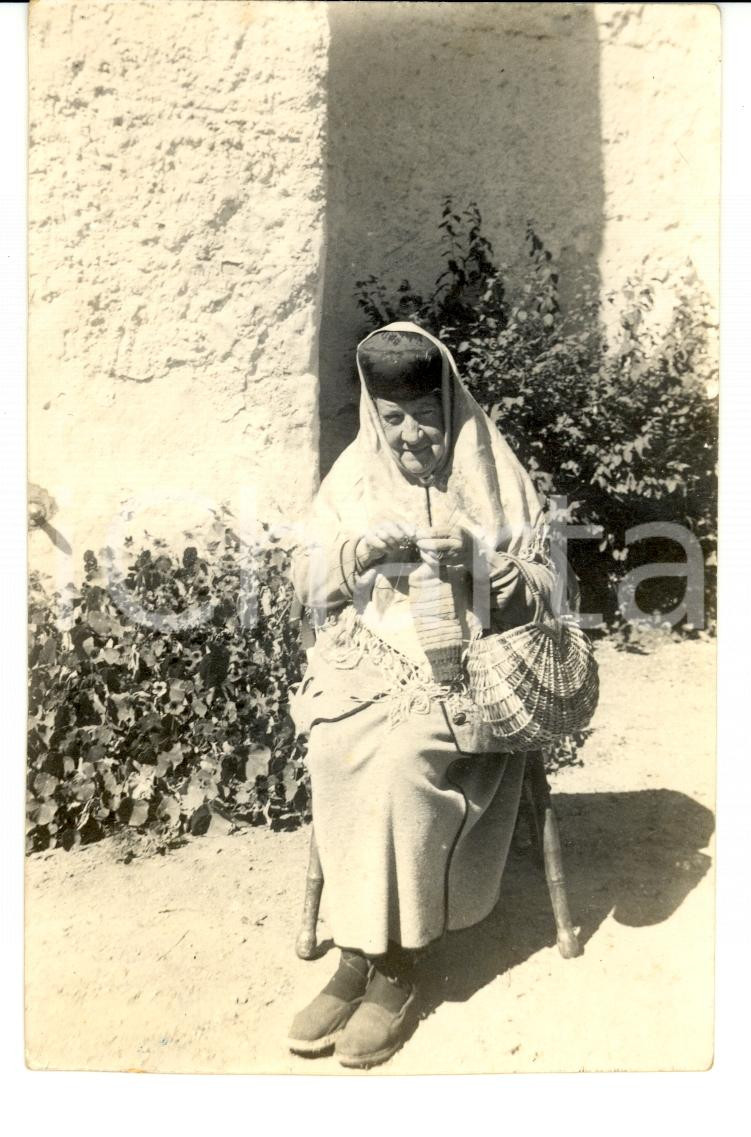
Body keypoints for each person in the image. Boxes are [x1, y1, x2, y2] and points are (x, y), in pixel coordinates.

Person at [287, 321, 560, 1068]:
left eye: (424, 419)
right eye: (392, 418)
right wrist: (356, 553)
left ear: (449, 409)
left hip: (474, 680)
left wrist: (481, 560)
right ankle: (357, 950)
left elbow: (546, 596)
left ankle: (396, 967)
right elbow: (301, 578)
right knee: (337, 743)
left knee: (405, 760)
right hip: (372, 667)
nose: (409, 436)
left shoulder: (494, 473)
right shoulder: (351, 475)